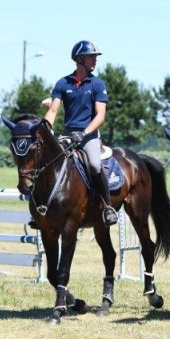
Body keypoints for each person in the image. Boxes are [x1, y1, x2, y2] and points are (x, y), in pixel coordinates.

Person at [44, 40, 118, 227]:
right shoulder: (63, 83)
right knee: (47, 161)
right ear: (79, 59)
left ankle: (107, 206)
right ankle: (43, 209)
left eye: (95, 57)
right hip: (67, 134)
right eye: (91, 56)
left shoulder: (97, 84)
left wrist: (84, 133)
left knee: (94, 164)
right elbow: (53, 111)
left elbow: (100, 115)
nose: (95, 60)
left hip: (89, 135)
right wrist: (45, 130)